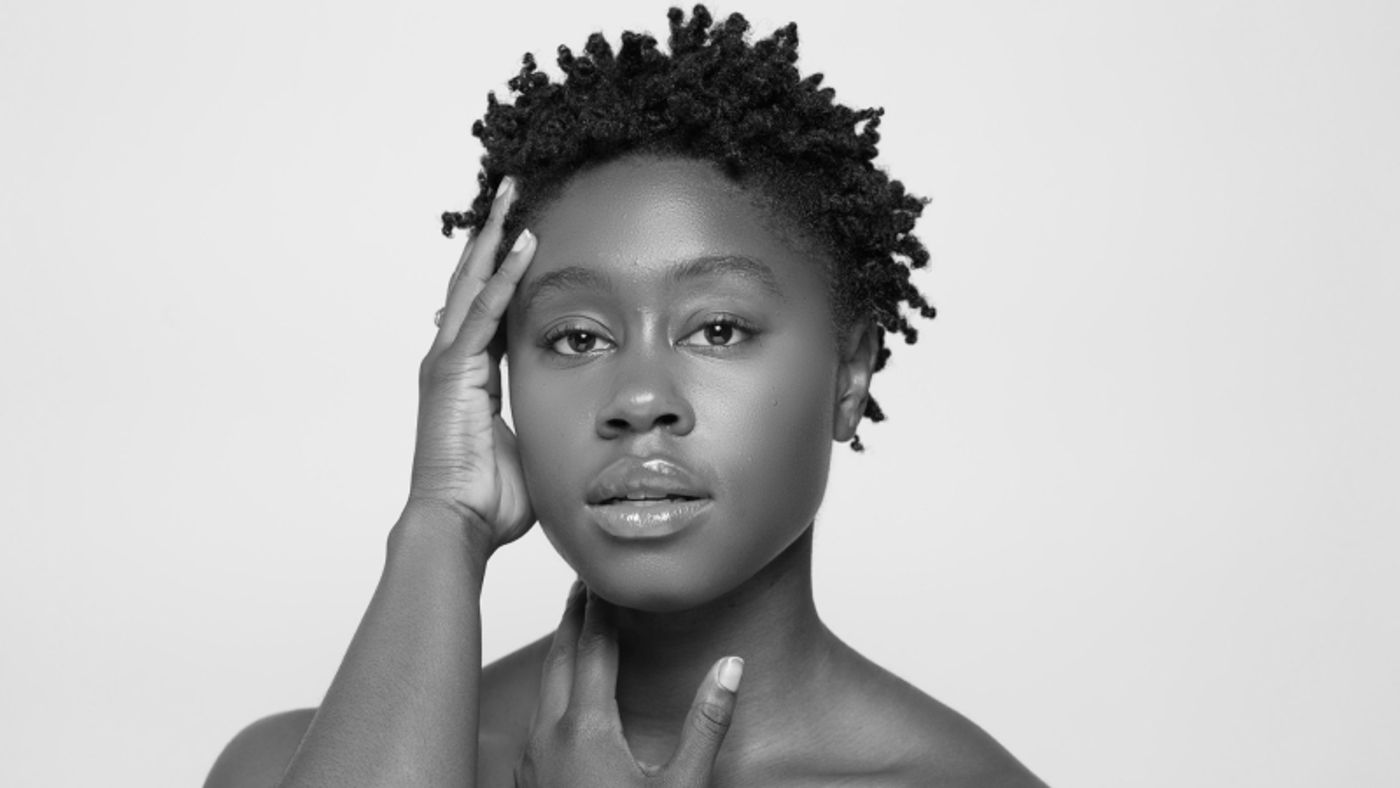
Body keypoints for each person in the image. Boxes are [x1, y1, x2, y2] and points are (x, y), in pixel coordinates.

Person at [205, 6, 1047, 786]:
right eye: (578, 338)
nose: (640, 399)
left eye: (717, 330)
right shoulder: (280, 767)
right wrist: (441, 522)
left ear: (851, 373)